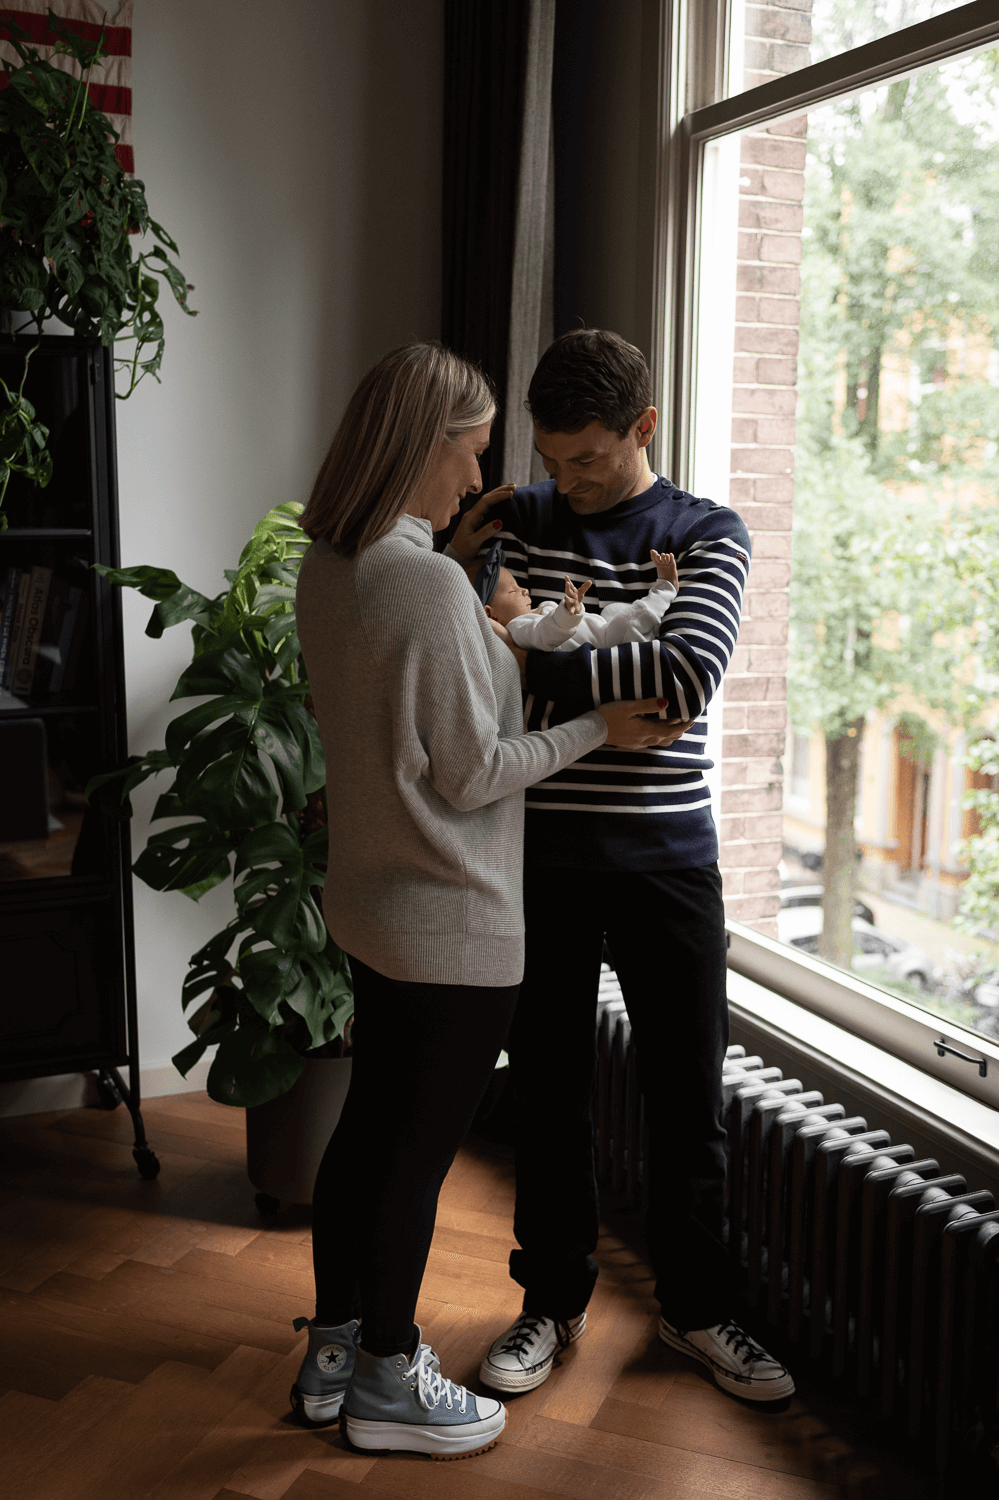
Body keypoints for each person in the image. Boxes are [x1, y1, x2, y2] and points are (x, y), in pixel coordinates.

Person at [291, 340, 680, 1460]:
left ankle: (333, 1353)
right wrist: (592, 729)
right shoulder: (418, 582)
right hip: (449, 918)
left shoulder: (336, 561)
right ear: (423, 445)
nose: (475, 480)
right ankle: (386, 1381)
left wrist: (481, 609)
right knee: (414, 1156)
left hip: (368, 898)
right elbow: (468, 771)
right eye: (466, 452)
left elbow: (404, 717)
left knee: (367, 1135)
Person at [447, 328, 796, 1405]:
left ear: (642, 428)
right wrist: (526, 647)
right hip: (538, 857)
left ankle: (695, 1314)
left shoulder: (707, 533)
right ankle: (547, 1307)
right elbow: (471, 683)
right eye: (552, 458)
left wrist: (531, 643)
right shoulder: (512, 518)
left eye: (587, 459)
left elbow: (686, 674)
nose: (566, 482)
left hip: (667, 860)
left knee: (685, 1098)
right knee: (546, 1095)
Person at [470, 536, 679, 651]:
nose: (524, 590)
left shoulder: (530, 616)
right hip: (607, 646)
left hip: (604, 631)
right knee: (628, 622)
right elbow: (546, 634)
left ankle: (652, 630)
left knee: (613, 610)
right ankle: (665, 589)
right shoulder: (517, 630)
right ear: (490, 615)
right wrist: (566, 612)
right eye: (513, 591)